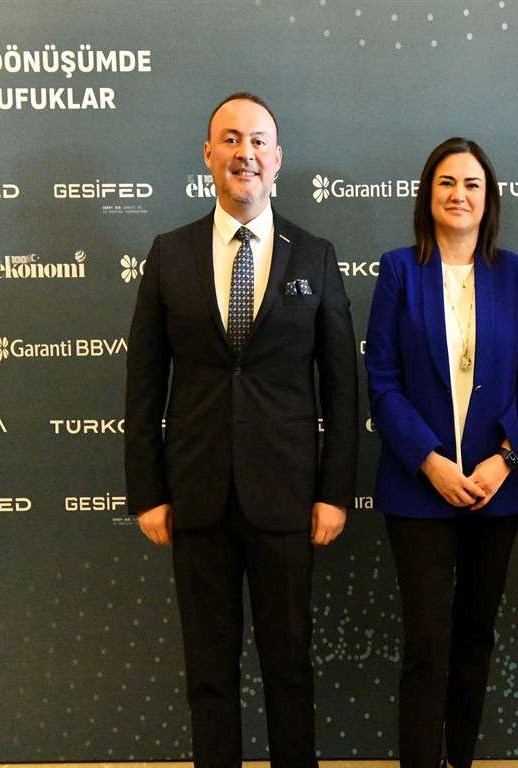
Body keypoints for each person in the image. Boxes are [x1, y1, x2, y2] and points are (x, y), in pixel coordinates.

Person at [124, 92, 358, 768]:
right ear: (208, 154)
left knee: (290, 669)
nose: (244, 153)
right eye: (230, 139)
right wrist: (148, 492)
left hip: (287, 500)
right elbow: (143, 384)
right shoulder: (169, 253)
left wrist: (334, 493)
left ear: (277, 159)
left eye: (257, 141)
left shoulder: (314, 256)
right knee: (208, 674)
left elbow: (342, 388)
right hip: (195, 498)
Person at [365, 137, 518, 768]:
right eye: (446, 182)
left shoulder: (513, 273)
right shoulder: (399, 270)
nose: (459, 194)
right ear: (428, 195)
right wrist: (431, 461)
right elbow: (382, 381)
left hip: (496, 489)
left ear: (488, 198)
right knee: (426, 643)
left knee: (475, 635)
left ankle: (459, 760)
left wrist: (505, 458)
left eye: (472, 184)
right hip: (418, 487)